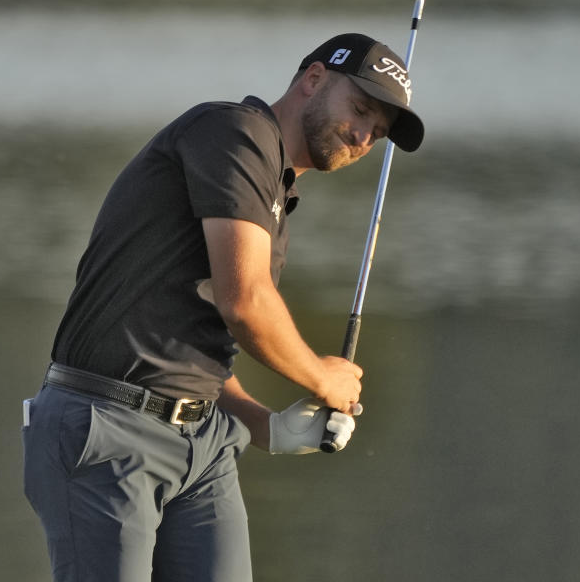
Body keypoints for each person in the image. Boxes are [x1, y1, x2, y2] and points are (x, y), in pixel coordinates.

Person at [22, 32, 424, 582]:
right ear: (313, 80)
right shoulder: (236, 133)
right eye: (359, 109)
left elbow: (199, 352)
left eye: (376, 132)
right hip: (106, 427)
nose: (361, 135)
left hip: (204, 443)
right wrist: (322, 378)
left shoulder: (275, 191)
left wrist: (269, 429)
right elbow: (245, 302)